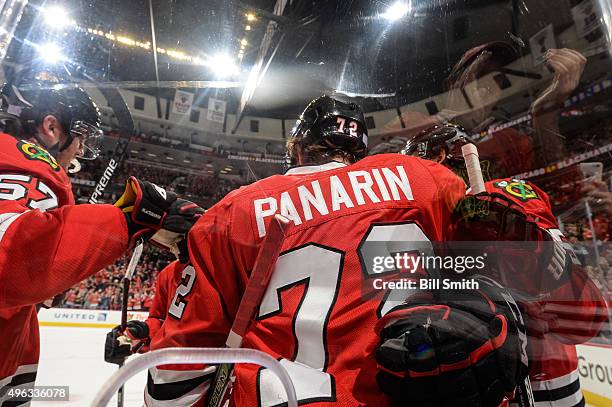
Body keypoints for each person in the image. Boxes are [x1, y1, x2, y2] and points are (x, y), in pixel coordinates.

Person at [143, 95, 528, 406]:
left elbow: (173, 381)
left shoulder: (233, 211)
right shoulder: (426, 179)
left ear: (297, 148)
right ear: (360, 148)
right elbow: (495, 255)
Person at [0, 78, 204, 401]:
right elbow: (8, 262)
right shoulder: (22, 161)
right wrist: (125, 219)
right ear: (50, 126)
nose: (81, 149)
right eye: (79, 137)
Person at [403, 122, 608, 407]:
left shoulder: (502, 201)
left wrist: (520, 247)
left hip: (540, 385)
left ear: (438, 159)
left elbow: (586, 319)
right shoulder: (425, 223)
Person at [104, 260, 183, 363]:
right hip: (167, 367)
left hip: (205, 366)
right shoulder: (168, 273)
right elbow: (159, 319)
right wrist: (140, 333)